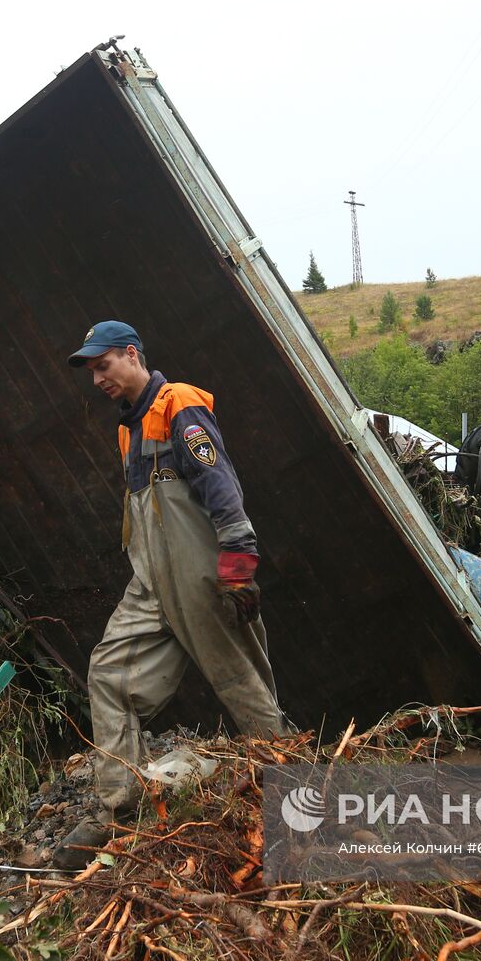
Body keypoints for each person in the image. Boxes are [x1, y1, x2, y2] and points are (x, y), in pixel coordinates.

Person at [55, 321, 288, 864]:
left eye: (103, 364)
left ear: (132, 355)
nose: (98, 379)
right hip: (152, 581)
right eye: (92, 370)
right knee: (108, 673)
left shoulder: (177, 404)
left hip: (201, 576)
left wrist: (237, 559)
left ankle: (290, 787)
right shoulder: (128, 429)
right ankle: (121, 806)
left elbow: (218, 482)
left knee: (241, 684)